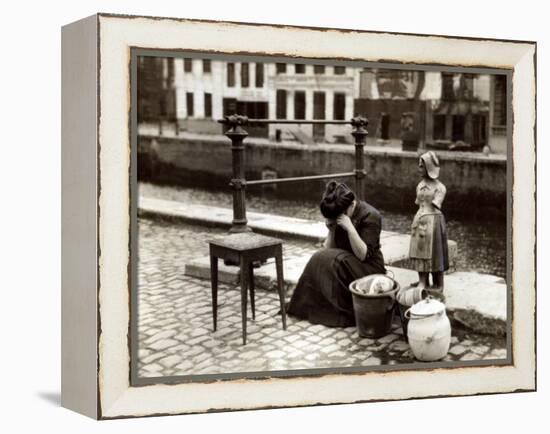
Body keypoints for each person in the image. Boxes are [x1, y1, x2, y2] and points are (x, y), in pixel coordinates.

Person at [286, 182, 386, 327]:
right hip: (346, 262)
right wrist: (331, 229)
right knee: (319, 258)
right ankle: (303, 305)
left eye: (339, 216)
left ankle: (341, 311)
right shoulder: (339, 213)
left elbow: (364, 255)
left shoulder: (371, 215)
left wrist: (350, 228)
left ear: (352, 205)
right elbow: (329, 249)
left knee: (334, 261)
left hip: (368, 267)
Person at [409, 151, 449, 297]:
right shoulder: (419, 186)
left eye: (421, 166)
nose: (419, 169)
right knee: (419, 252)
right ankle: (422, 280)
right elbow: (419, 203)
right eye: (419, 166)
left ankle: (438, 284)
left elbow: (436, 204)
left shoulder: (440, 188)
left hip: (434, 221)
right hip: (420, 220)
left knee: (435, 253)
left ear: (428, 167)